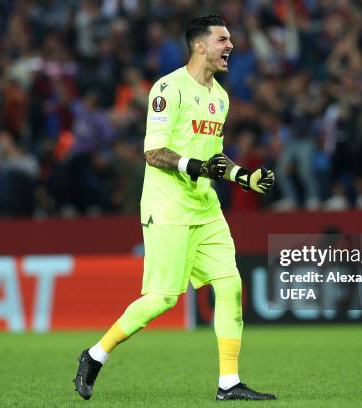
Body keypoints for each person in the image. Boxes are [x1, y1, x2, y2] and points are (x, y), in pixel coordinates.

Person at [72, 14, 276, 401]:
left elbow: (213, 156)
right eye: (222, 39)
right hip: (168, 207)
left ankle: (228, 383)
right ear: (199, 45)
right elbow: (153, 152)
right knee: (163, 298)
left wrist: (242, 177)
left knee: (230, 284)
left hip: (205, 207)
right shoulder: (169, 88)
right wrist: (198, 168)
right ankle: (95, 355)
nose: (230, 46)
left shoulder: (221, 96)